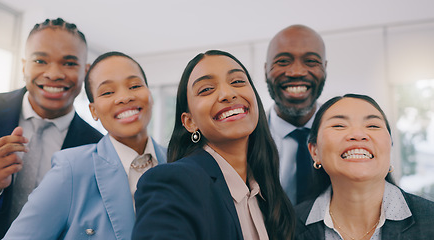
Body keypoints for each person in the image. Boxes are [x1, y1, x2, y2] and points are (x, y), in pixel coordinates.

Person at [132, 50, 295, 240]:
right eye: (206, 89)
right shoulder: (171, 183)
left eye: (237, 81)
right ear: (189, 122)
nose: (228, 94)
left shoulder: (267, 193)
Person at [3, 51, 167, 239]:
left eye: (135, 85)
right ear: (94, 110)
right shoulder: (71, 170)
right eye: (107, 92)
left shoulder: (179, 161)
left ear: (150, 94)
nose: (124, 97)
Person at [0, 18, 103, 239]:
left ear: (86, 71)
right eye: (40, 61)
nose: (54, 74)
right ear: (24, 65)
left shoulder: (97, 147)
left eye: (69, 63)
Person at [295, 94, 434, 240]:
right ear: (314, 151)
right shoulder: (286, 226)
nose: (358, 134)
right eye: (339, 126)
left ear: (390, 146)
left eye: (373, 126)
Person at [265, 24, 328, 204]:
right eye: (283, 61)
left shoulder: (350, 136)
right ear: (265, 69)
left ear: (325, 68)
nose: (296, 72)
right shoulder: (245, 138)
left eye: (311, 61)